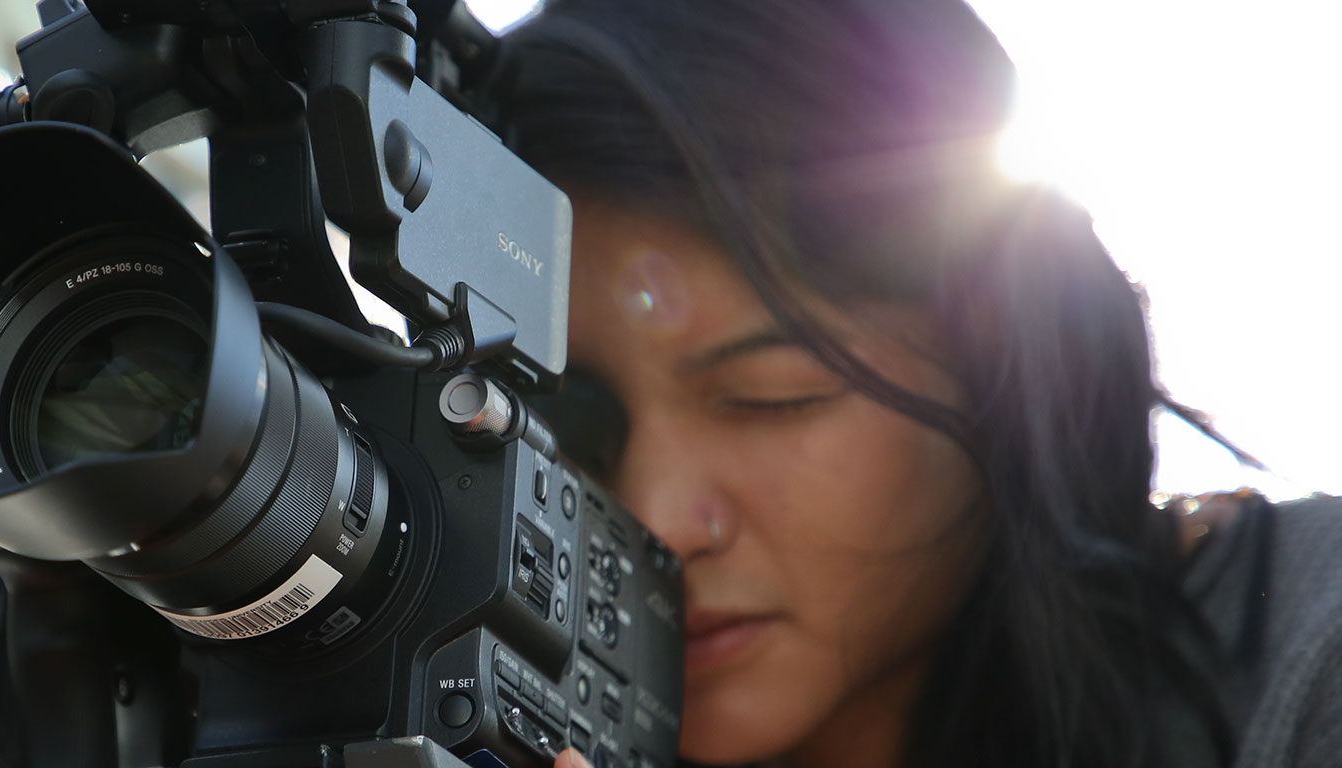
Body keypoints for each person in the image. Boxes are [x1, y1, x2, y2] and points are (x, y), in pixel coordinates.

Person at [479, 1, 1342, 766]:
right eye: (582, 428)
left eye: (769, 398)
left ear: (1003, 359)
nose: (659, 520)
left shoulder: (1312, 662)